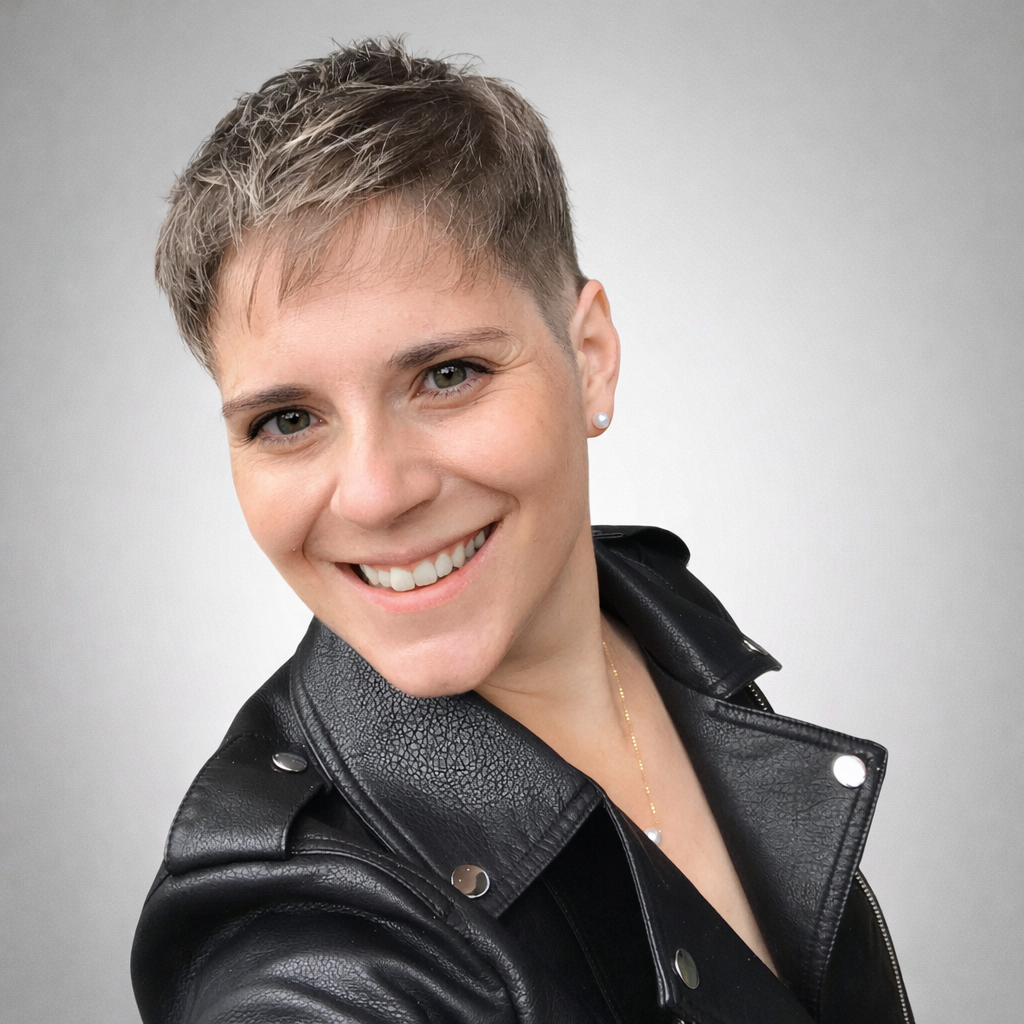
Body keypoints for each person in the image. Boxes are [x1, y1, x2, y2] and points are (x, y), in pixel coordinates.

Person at [131, 39, 914, 1024]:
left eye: (447, 373)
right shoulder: (302, 934)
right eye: (287, 420)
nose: (374, 493)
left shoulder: (664, 625)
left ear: (589, 358)